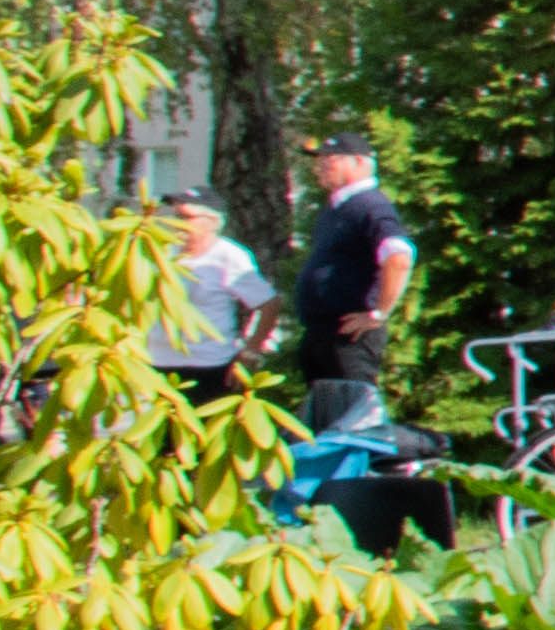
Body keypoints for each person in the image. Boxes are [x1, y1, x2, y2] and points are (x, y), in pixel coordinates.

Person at [292, 132, 413, 428]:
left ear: (359, 162)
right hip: (324, 333)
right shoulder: (337, 207)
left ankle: (386, 470)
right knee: (327, 423)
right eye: (318, 161)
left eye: (329, 160)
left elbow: (398, 256)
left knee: (357, 422)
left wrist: (379, 313)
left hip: (349, 337)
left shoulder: (369, 205)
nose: (320, 167)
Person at [151, 197, 276, 405]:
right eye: (176, 216)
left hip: (208, 365)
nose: (178, 223)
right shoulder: (162, 251)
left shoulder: (228, 256)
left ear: (212, 222)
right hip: (159, 361)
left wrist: (251, 350)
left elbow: (269, 304)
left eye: (186, 217)